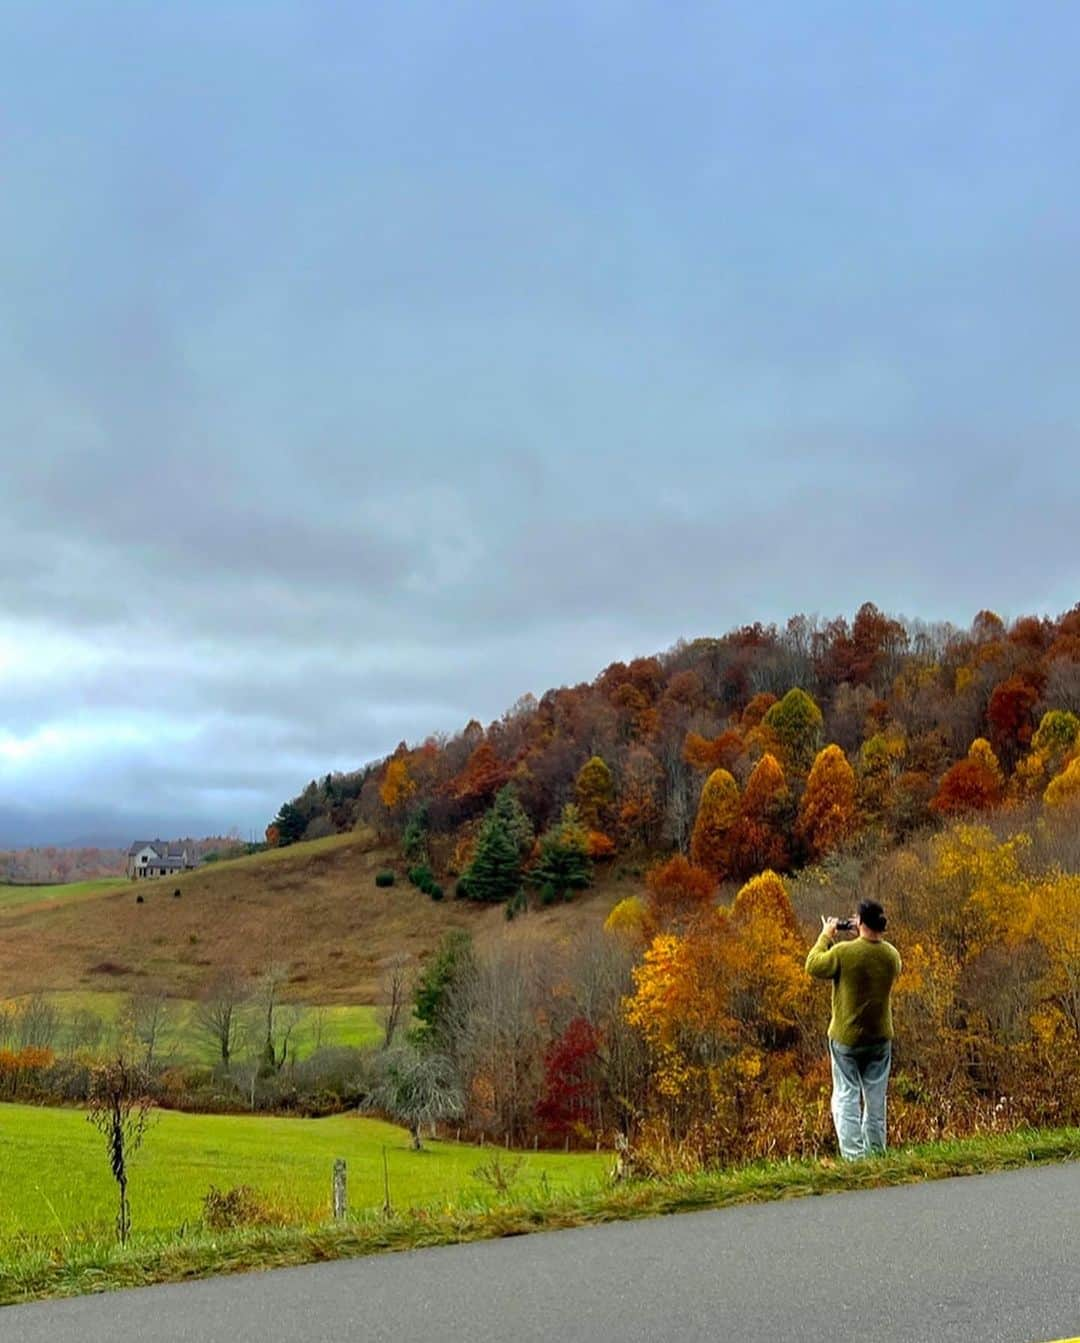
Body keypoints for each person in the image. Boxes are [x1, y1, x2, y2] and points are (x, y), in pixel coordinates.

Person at [805, 899, 901, 1160]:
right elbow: (874, 956)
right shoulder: (892, 956)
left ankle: (853, 1157)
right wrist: (861, 934)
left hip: (846, 1038)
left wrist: (826, 935)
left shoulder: (844, 953)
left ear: (859, 922)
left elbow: (813, 964)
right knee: (875, 1100)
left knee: (846, 1097)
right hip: (880, 1037)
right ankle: (877, 1153)